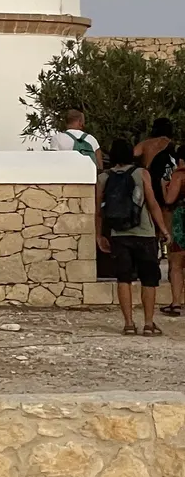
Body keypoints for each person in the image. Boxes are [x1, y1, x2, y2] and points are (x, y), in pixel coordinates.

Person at [96, 137, 170, 335]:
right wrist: (163, 230)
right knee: (149, 279)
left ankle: (128, 323)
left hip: (118, 234)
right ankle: (148, 323)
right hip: (144, 234)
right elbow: (153, 203)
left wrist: (99, 235)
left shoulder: (104, 178)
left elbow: (98, 211)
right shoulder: (141, 173)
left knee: (123, 279)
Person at [161, 161, 185, 319]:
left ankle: (176, 303)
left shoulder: (180, 175)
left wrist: (164, 186)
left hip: (181, 220)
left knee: (177, 264)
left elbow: (169, 200)